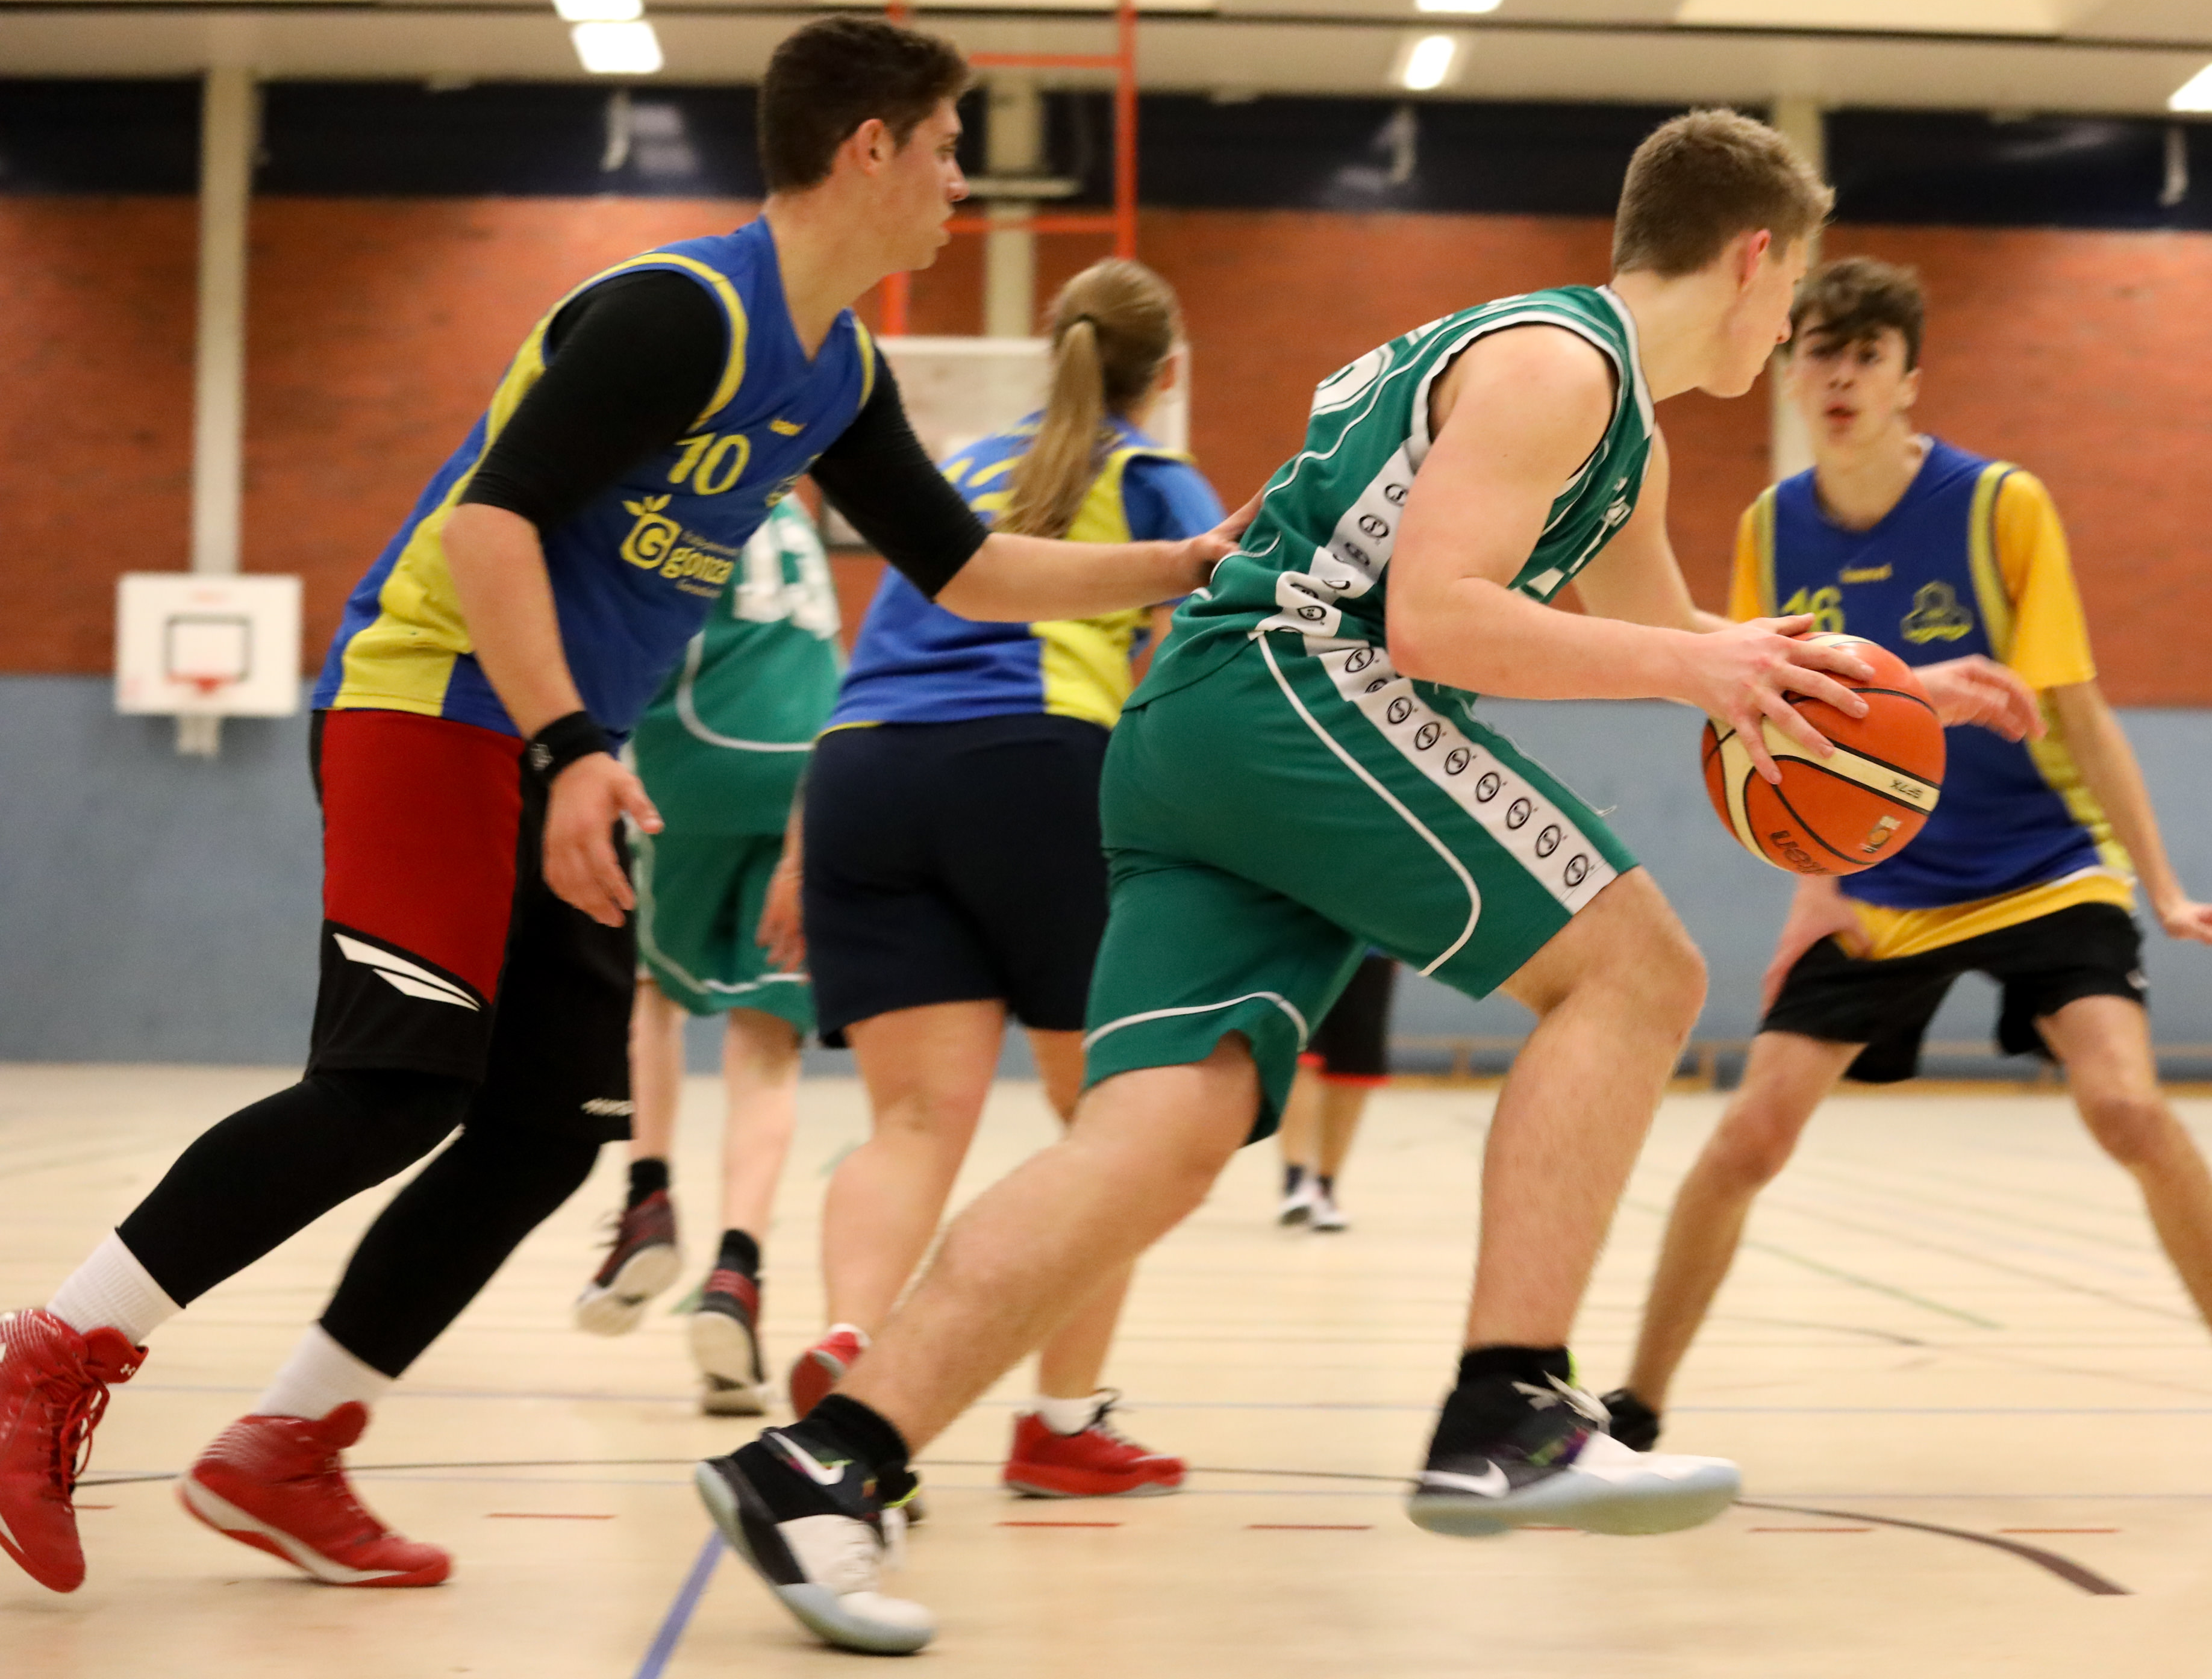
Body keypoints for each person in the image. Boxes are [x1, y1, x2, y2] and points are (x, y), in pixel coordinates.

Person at [691, 108, 2044, 1656]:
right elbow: (1432, 623)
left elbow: (1677, 637)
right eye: (1794, 285)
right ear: (1754, 256)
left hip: (1203, 730)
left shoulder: (1611, 417)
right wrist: (1697, 667)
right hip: (1300, 694)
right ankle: (1509, 1404)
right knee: (1637, 969)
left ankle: (825, 1462)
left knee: (1155, 1140)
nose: (1790, 320)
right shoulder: (1558, 367)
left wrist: (1884, 693)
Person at [0, 14, 1246, 1598]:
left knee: (548, 1127)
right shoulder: (680, 311)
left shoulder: (839, 367)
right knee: (392, 1085)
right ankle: (50, 1350)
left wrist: (1181, 562)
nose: (960, 185)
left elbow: (966, 566)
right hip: (432, 706)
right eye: (944, 150)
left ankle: (285, 1446)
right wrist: (573, 744)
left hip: (549, 744)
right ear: (867, 147)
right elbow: (490, 529)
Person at [1598, 257, 2212, 1507]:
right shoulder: (1768, 529)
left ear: (1908, 378)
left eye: (1867, 354)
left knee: (2125, 1107)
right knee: (1747, 1134)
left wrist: (2163, 888)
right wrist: (1811, 884)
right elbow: (1762, 722)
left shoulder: (1999, 505)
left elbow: (2080, 711)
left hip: (2040, 861)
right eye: (1819, 351)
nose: (1840, 375)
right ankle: (1630, 1413)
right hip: (1879, 883)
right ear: (1789, 370)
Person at [781, 257, 1223, 1503]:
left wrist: (803, 845)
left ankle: (853, 1347)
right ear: (1166, 372)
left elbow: (878, 643)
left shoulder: (963, 465)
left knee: (911, 1123)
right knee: (1116, 1129)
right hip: (1031, 763)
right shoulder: (1157, 483)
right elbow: (1207, 663)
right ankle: (1061, 1424)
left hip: (859, 771)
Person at [570, 496, 844, 1418]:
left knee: (650, 986)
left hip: (695, 754)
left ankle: (646, 1199)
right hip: (812, 768)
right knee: (767, 1039)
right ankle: (737, 1274)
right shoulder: (798, 509)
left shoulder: (678, 492)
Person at [1276, 953, 1395, 1232]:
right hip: (1303, 944)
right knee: (1302, 1056)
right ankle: (1295, 1181)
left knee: (1353, 1070)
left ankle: (1325, 1189)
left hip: (1373, 948)